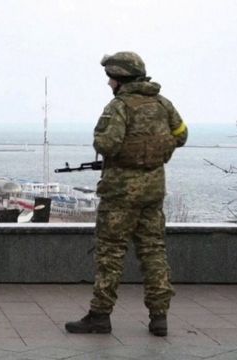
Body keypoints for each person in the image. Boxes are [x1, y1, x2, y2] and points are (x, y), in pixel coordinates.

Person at [65, 51, 188, 337]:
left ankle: (100, 316)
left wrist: (101, 137)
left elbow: (107, 144)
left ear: (120, 78)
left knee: (110, 253)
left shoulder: (118, 107)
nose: (108, 83)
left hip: (120, 194)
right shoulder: (163, 104)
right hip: (153, 191)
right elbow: (181, 135)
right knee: (153, 251)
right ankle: (159, 318)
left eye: (110, 78)